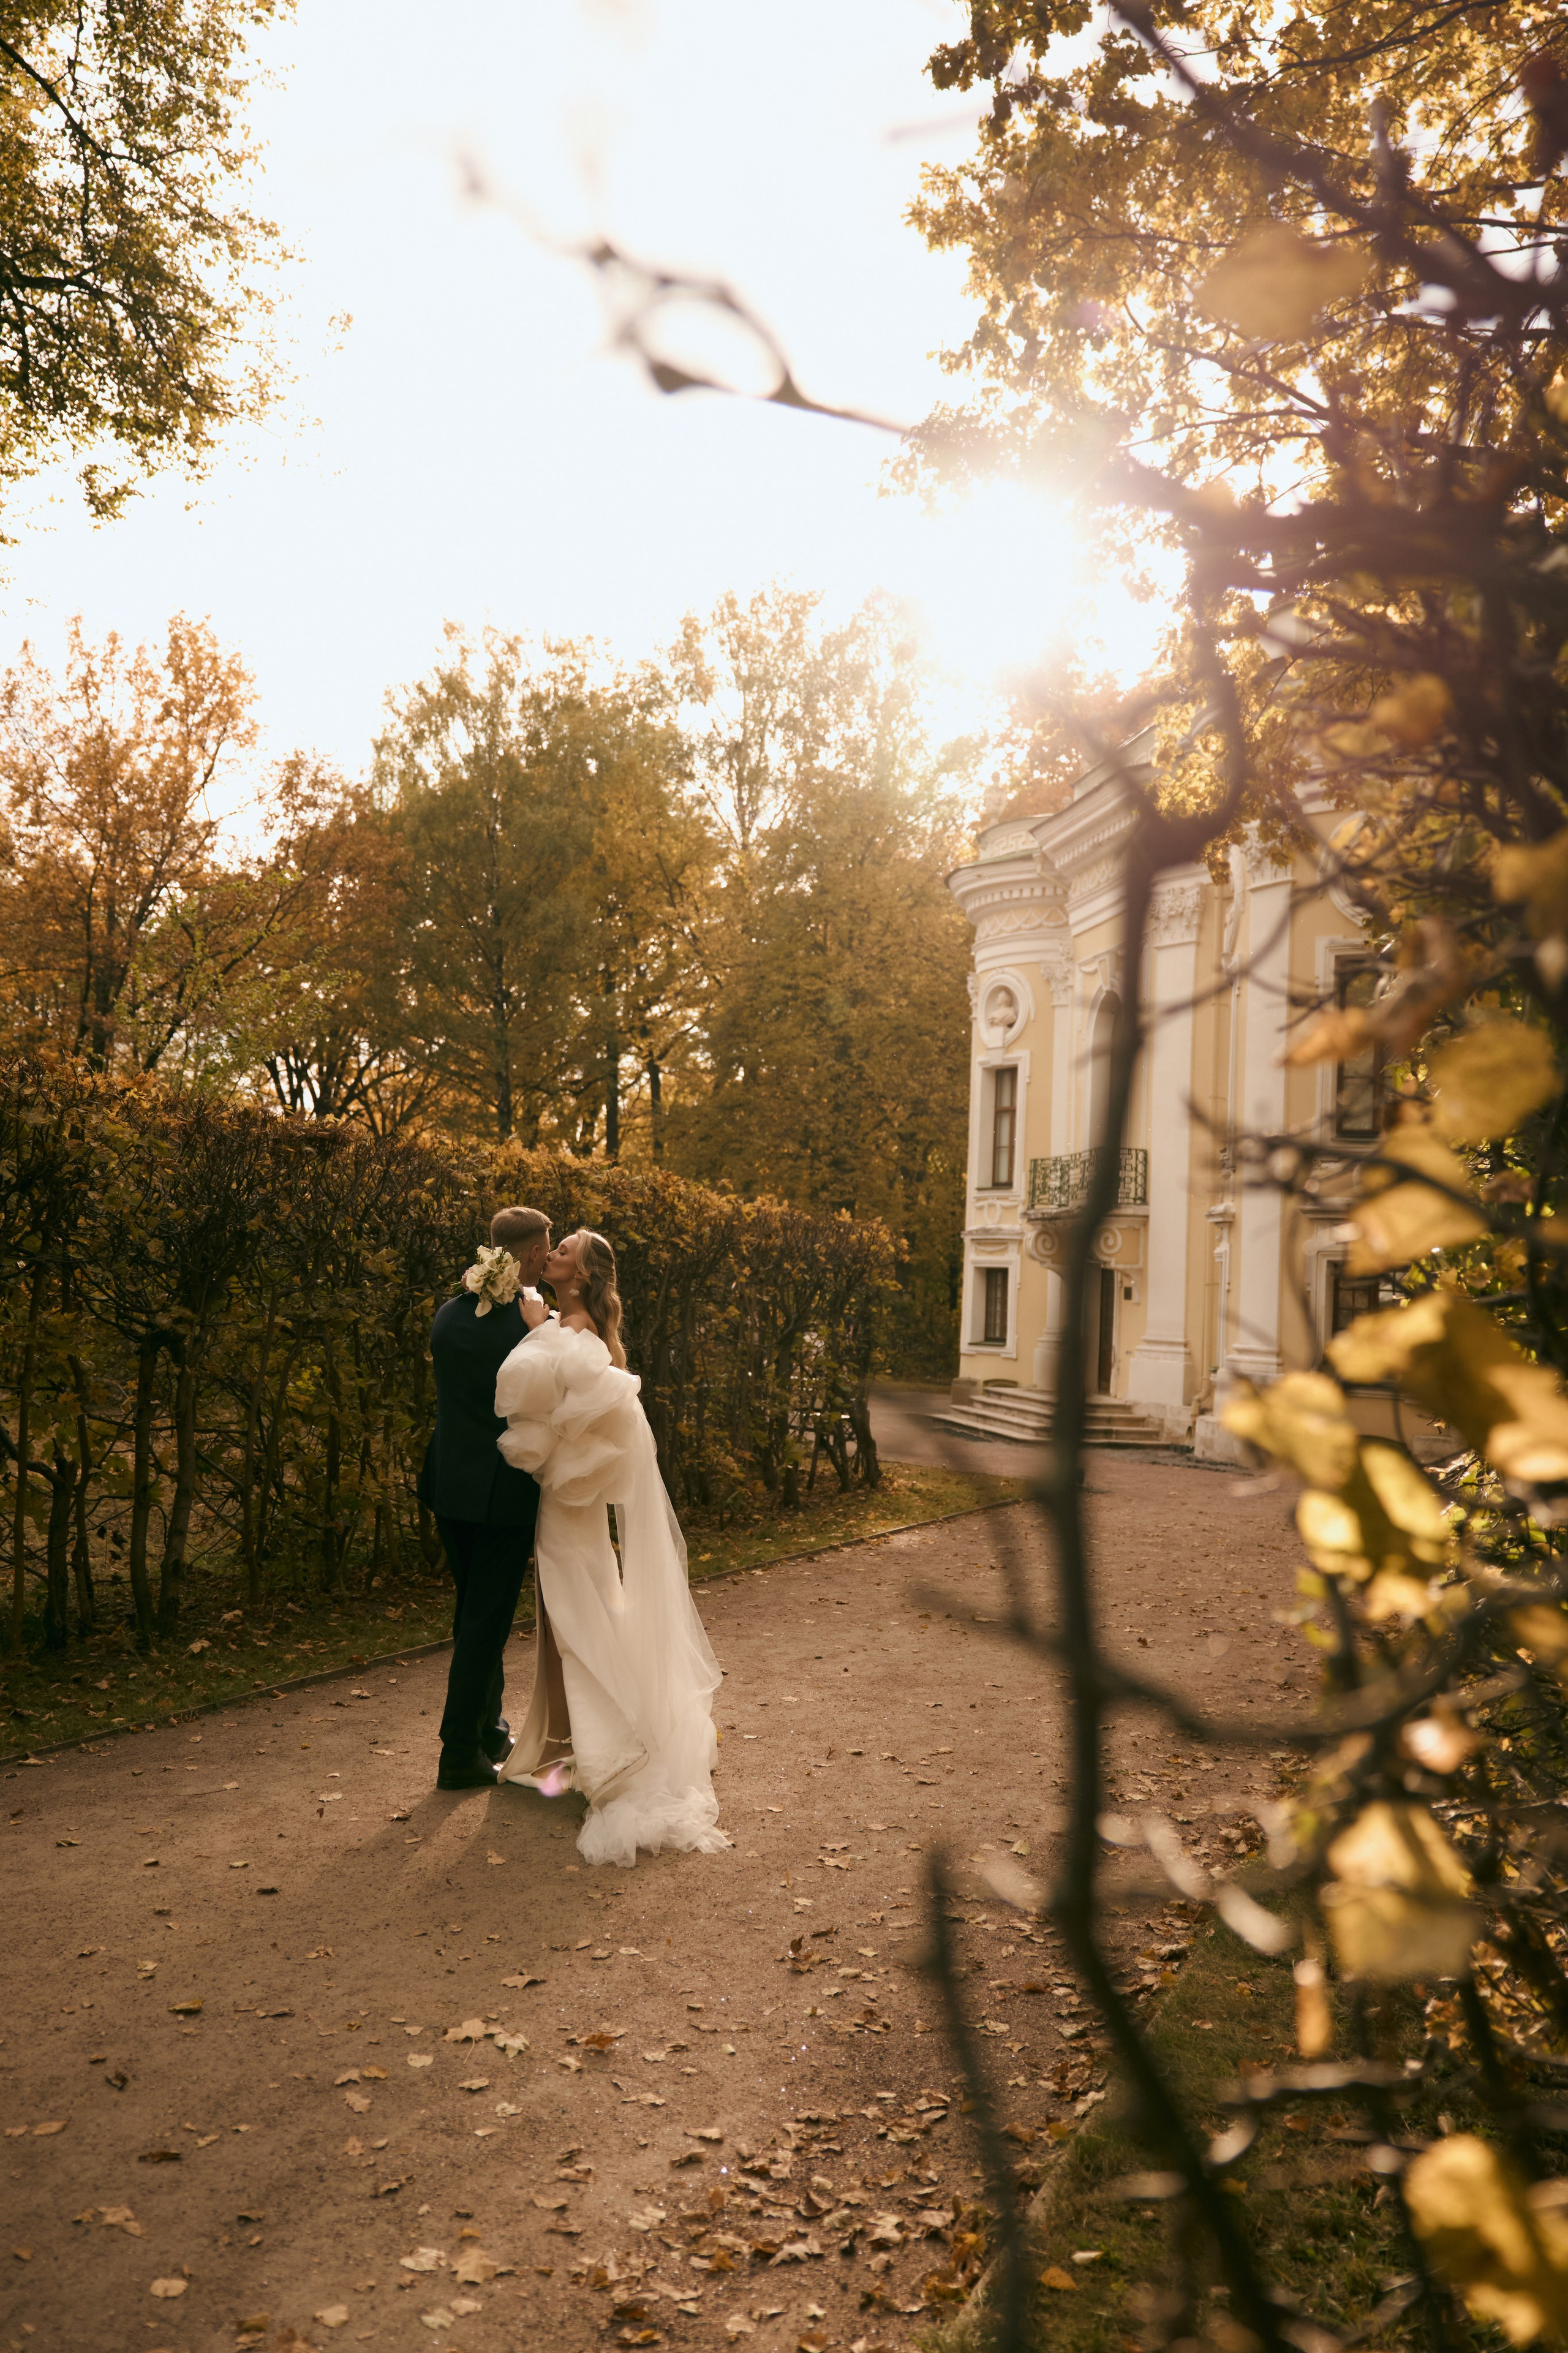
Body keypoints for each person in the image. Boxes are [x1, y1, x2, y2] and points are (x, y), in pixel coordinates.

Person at [492, 1227, 729, 1868]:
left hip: (569, 1507)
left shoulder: (581, 1333)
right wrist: (542, 1318)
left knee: (576, 1619)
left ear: (583, 1275)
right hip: (566, 1506)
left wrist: (540, 1328)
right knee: (570, 1614)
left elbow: (567, 1397)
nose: (555, 1251)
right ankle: (561, 1750)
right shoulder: (572, 1322)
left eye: (565, 1249)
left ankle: (614, 1757)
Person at [418, 1205, 551, 1791]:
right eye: (545, 1251)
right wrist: (539, 1330)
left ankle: (490, 1727)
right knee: (485, 1625)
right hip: (502, 1496)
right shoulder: (526, 1329)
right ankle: (458, 1753)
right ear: (525, 1257)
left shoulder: (448, 1315)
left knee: (471, 1612)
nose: (549, 1260)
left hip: (450, 1485)